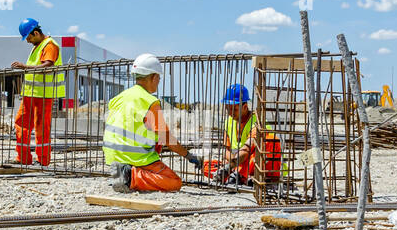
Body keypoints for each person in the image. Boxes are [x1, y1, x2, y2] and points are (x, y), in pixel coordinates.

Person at [103, 53, 202, 192]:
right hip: (134, 156)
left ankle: (125, 172)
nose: (158, 81)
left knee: (154, 139)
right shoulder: (149, 101)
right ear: (154, 77)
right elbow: (166, 136)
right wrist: (188, 155)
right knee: (174, 183)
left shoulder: (118, 98)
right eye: (159, 78)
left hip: (113, 156)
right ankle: (130, 177)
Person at [206, 83, 282, 187]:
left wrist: (229, 168)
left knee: (269, 140)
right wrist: (230, 164)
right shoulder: (229, 121)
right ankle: (241, 176)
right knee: (207, 165)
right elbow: (226, 150)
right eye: (228, 109)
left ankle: (242, 176)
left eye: (234, 109)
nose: (230, 113)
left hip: (259, 165)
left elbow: (246, 150)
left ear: (245, 106)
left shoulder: (257, 122)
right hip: (236, 162)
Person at [11, 17, 63, 166]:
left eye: (28, 37)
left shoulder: (50, 45)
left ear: (35, 33)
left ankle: (43, 160)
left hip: (43, 95)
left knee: (41, 127)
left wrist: (25, 67)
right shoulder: (38, 46)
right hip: (30, 94)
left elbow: (48, 65)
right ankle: (23, 158)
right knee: (21, 123)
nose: (27, 41)